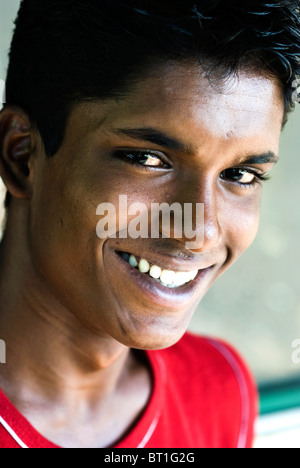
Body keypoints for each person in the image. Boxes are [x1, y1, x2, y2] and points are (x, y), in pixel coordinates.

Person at [0, 0, 299, 449]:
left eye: (240, 175)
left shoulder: (220, 387)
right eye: (147, 160)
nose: (198, 231)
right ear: (21, 156)